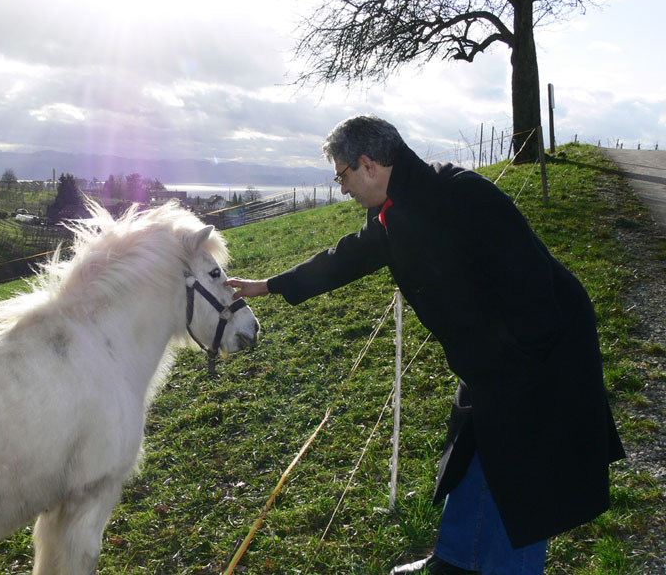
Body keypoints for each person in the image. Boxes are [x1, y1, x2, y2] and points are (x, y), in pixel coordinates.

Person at [224, 115, 625, 575]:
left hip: (542, 351)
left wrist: (512, 364)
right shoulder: (396, 208)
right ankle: (454, 562)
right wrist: (268, 285)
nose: (342, 188)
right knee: (476, 450)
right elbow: (346, 257)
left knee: (523, 472)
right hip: (495, 358)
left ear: (368, 163)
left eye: (342, 175)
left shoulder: (461, 194)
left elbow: (533, 284)